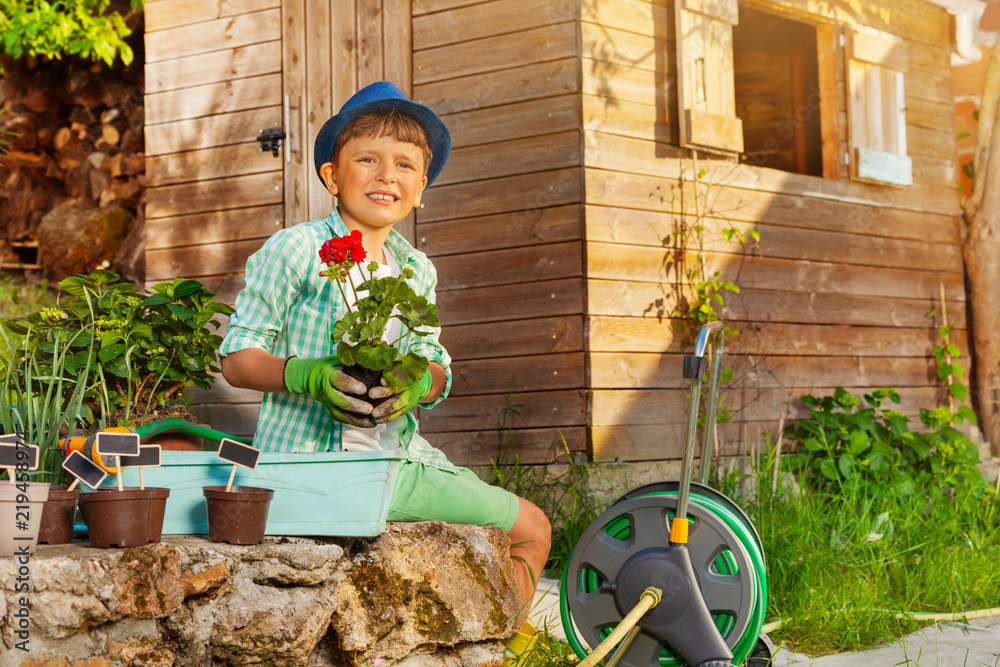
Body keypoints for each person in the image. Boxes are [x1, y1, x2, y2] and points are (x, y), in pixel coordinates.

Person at [218, 81, 551, 618]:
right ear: (331, 176)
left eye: (403, 165)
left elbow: (436, 363)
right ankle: (506, 643)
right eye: (367, 159)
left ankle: (493, 640)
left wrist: (421, 380)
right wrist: (306, 374)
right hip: (312, 463)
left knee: (519, 529)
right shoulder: (298, 249)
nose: (385, 176)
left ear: (420, 187)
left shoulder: (416, 269)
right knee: (533, 529)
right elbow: (237, 358)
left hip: (394, 458)